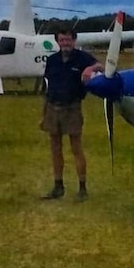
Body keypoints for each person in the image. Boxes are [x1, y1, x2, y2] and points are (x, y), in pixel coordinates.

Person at [39, 26, 104, 200]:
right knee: (55, 148)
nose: (65, 43)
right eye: (62, 40)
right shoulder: (52, 60)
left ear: (74, 41)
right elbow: (48, 86)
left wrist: (91, 69)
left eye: (68, 40)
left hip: (72, 107)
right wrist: (44, 112)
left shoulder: (82, 58)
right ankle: (58, 186)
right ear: (57, 42)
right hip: (53, 107)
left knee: (76, 148)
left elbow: (102, 67)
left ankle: (82, 188)